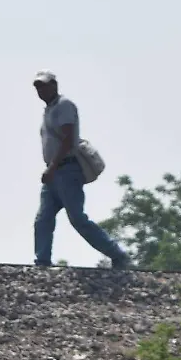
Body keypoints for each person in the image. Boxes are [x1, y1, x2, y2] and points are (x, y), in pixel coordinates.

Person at [31, 70, 129, 268]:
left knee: (77, 219)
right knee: (43, 219)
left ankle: (117, 255)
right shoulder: (49, 110)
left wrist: (53, 167)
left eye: (44, 85)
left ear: (54, 85)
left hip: (66, 170)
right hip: (53, 172)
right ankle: (42, 262)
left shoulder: (64, 105)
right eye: (38, 87)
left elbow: (67, 140)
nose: (40, 90)